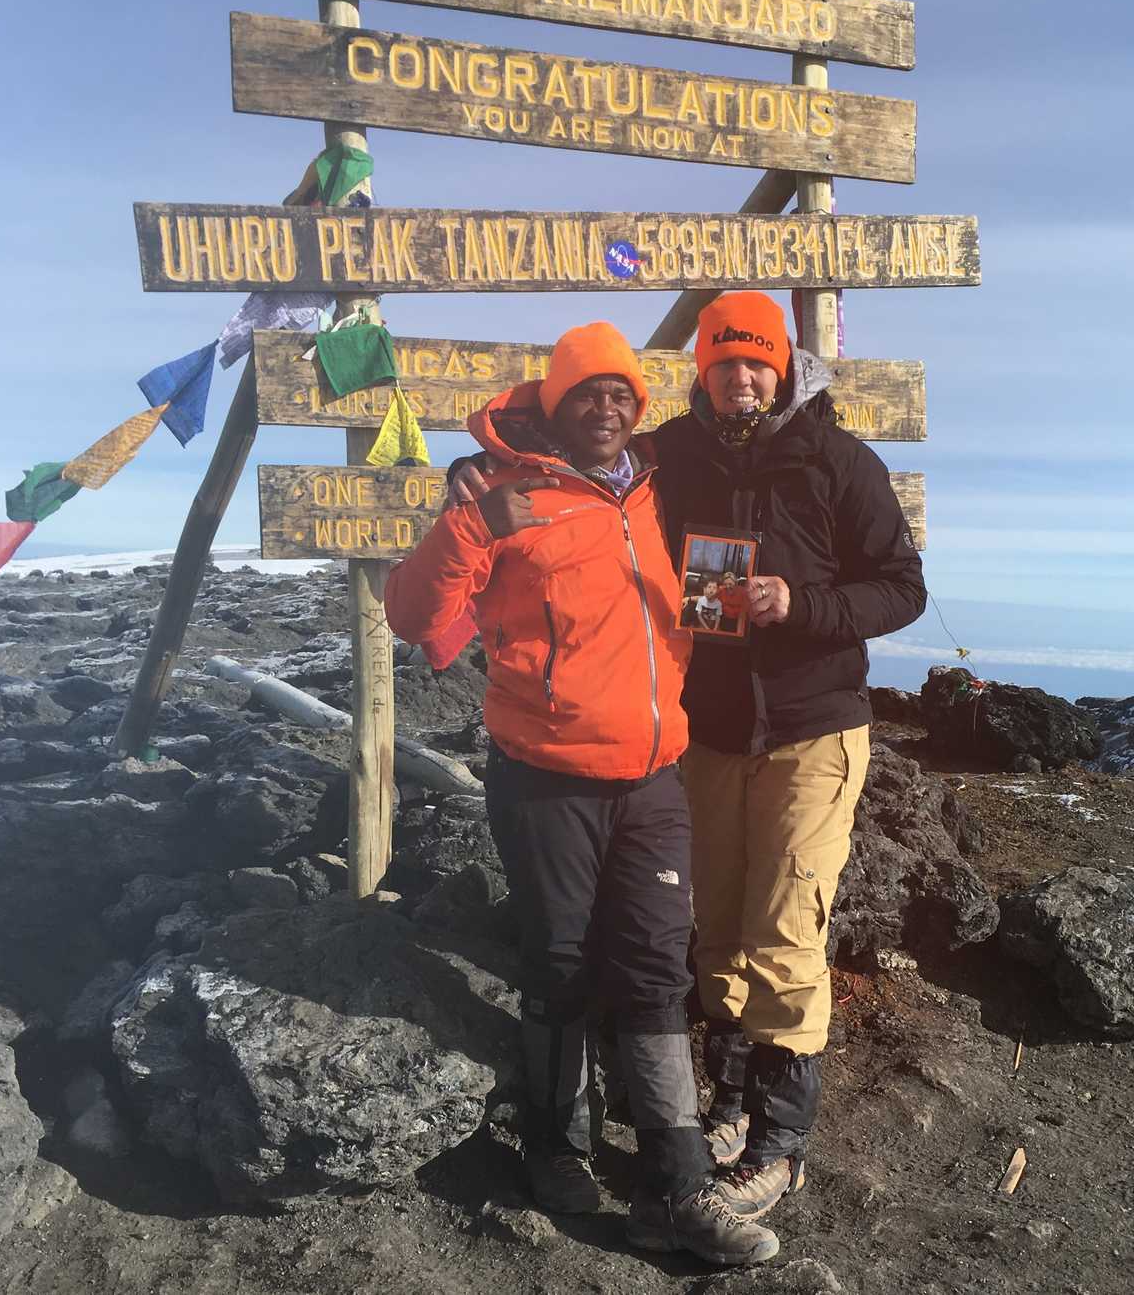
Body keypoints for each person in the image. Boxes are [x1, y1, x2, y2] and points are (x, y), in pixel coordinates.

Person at [384, 323, 778, 1268]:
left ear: (637, 409)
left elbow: (716, 569)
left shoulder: (657, 486)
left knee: (655, 971)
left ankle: (677, 1191)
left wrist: (762, 604)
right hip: (546, 779)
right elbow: (413, 617)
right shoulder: (502, 494)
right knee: (558, 964)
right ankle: (555, 1149)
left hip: (653, 778)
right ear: (554, 404)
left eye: (621, 395)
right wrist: (469, 522)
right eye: (586, 394)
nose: (606, 408)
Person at [650, 291, 927, 1216]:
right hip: (710, 729)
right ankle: (728, 1102)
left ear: (782, 366)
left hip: (813, 727)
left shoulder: (837, 458)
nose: (740, 374)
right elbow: (583, 473)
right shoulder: (670, 455)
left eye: (755, 360)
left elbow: (902, 588)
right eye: (724, 360)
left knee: (785, 927)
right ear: (702, 370)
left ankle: (780, 1143)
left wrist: (798, 606)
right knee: (717, 927)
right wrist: (467, 472)